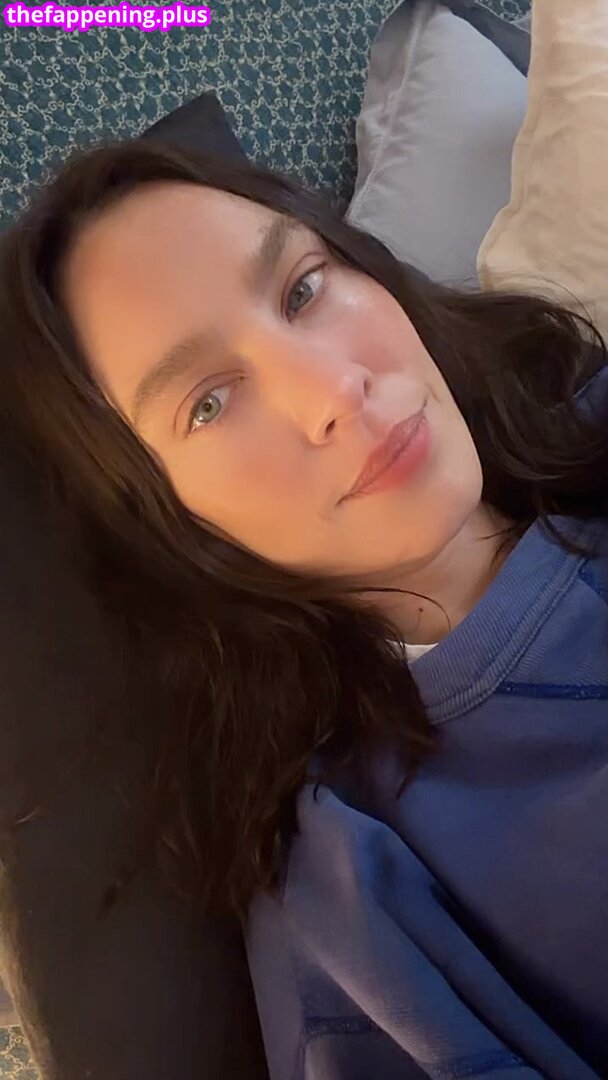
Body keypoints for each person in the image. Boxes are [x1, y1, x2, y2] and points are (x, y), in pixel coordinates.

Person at [1, 138, 608, 1080]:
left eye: (303, 290)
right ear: (164, 529)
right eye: (207, 404)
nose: (333, 389)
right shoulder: (357, 902)